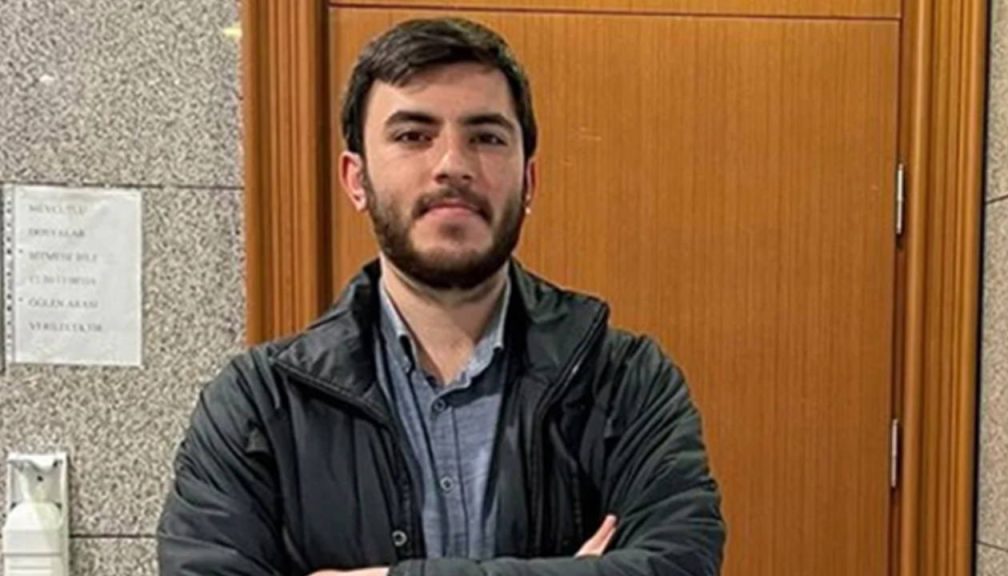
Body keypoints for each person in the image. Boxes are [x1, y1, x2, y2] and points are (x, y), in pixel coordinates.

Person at [157, 17, 725, 576]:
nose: (452, 164)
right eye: (413, 136)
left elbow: (681, 563)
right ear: (356, 180)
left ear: (528, 182)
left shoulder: (625, 383)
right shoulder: (257, 406)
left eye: (486, 137)